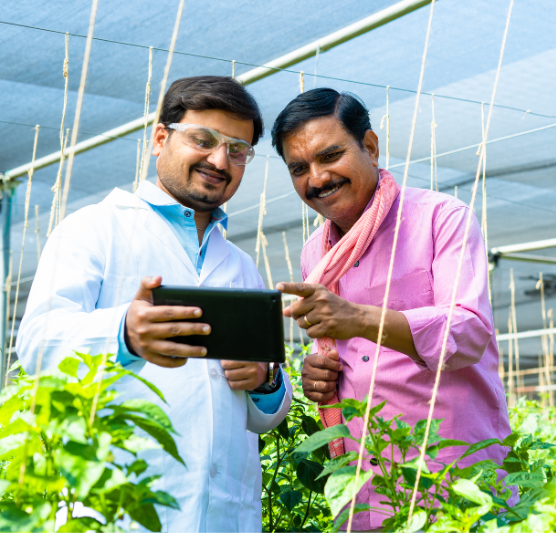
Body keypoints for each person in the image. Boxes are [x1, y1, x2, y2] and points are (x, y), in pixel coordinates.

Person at [17, 76, 291, 532]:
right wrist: (124, 331)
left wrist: (265, 380)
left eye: (237, 149)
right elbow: (36, 344)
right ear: (160, 138)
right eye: (203, 140)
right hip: (122, 511)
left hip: (227, 516)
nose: (220, 160)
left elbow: (263, 417)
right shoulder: (94, 229)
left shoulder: (242, 267)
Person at [272, 88, 511, 530]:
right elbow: (343, 354)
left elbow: (469, 331)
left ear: (370, 146)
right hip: (369, 475)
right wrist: (319, 373)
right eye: (299, 168)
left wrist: (358, 318)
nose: (317, 178)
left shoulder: (442, 218)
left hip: (456, 466)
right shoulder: (315, 254)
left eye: (330, 156)